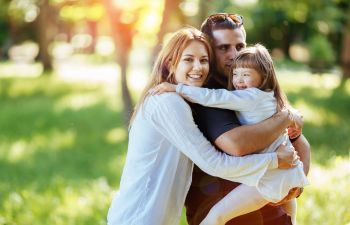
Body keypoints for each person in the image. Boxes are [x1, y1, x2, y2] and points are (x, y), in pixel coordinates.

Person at [106, 27, 298, 225]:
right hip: (139, 218)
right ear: (171, 63)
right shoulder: (167, 102)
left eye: (203, 60)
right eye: (188, 59)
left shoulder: (180, 100)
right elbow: (215, 163)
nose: (198, 67)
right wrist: (274, 161)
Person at [150, 43, 309, 225]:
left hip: (271, 175)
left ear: (263, 75)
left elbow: (214, 97)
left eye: (246, 75)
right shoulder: (271, 97)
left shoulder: (249, 97)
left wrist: (176, 88)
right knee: (289, 212)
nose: (239, 81)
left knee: (216, 216)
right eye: (236, 74)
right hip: (285, 172)